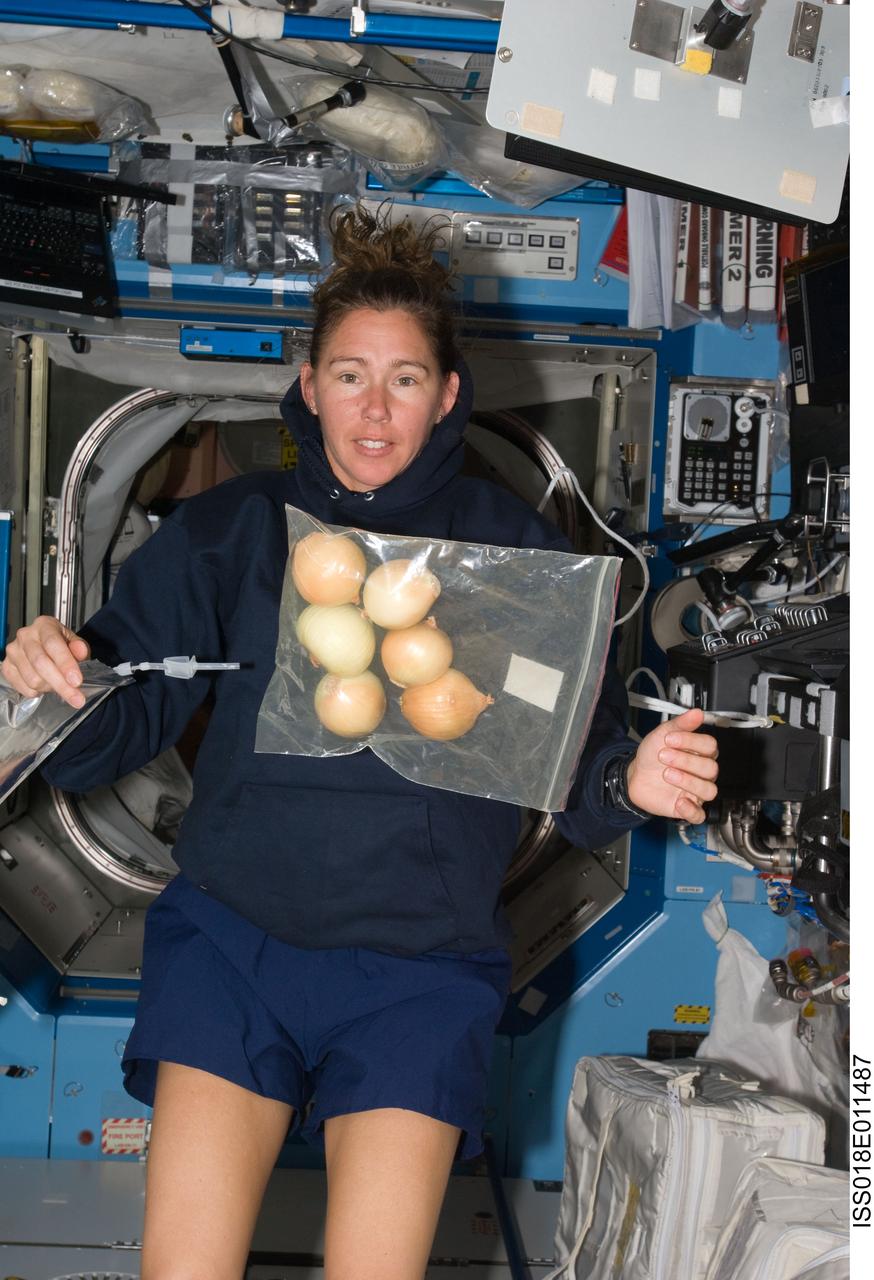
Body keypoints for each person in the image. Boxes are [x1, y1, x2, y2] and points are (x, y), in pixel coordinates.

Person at [1, 206, 719, 1280]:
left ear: (447, 394)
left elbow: (572, 771)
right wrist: (48, 684)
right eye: (348, 373)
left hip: (419, 970)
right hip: (236, 943)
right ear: (306, 383)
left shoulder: (515, 551)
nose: (373, 408)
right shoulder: (232, 530)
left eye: (402, 378)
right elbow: (114, 728)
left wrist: (635, 777)